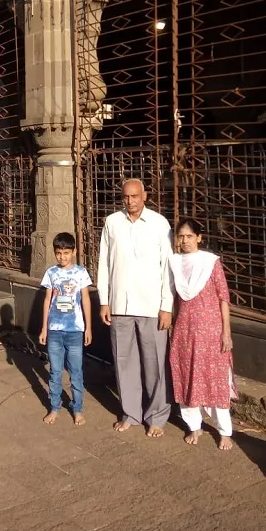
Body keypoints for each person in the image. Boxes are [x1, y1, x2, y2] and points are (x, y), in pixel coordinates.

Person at [97, 179, 174, 437]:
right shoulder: (112, 222)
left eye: (134, 196)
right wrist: (105, 301)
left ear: (145, 196)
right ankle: (130, 412)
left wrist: (167, 306)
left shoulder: (159, 224)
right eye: (126, 197)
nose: (130, 201)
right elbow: (104, 264)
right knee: (124, 362)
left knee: (154, 364)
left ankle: (157, 416)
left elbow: (167, 267)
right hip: (120, 304)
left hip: (152, 305)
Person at [169, 217, 237, 451]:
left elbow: (223, 297)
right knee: (187, 376)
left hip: (211, 330)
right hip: (185, 330)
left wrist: (226, 332)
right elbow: (175, 299)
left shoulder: (210, 262)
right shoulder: (174, 262)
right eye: (181, 236)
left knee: (215, 378)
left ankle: (224, 431)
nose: (185, 241)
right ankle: (194, 426)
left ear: (199, 237)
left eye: (189, 236)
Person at [39, 232, 92, 426]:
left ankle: (77, 408)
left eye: (66, 252)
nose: (62, 257)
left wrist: (88, 327)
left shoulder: (80, 273)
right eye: (59, 253)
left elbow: (86, 299)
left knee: (76, 371)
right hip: (54, 330)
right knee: (55, 371)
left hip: (75, 329)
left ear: (74, 252)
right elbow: (47, 300)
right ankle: (54, 406)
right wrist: (44, 328)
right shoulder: (51, 273)